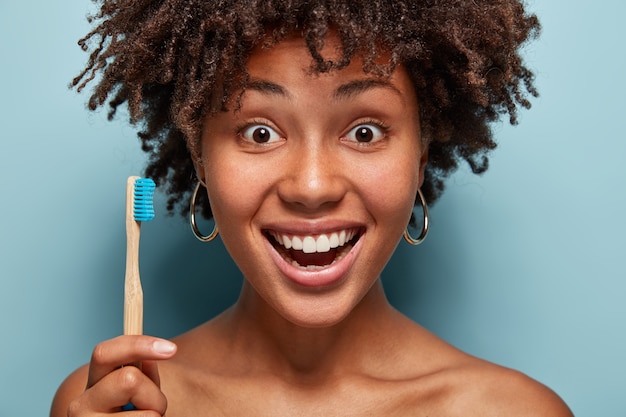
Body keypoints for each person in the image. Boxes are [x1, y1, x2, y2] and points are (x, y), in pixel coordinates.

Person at [51, 1, 573, 415]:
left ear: (420, 156)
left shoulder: (515, 411)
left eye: (364, 132)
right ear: (201, 159)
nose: (312, 185)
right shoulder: (111, 402)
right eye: (260, 132)